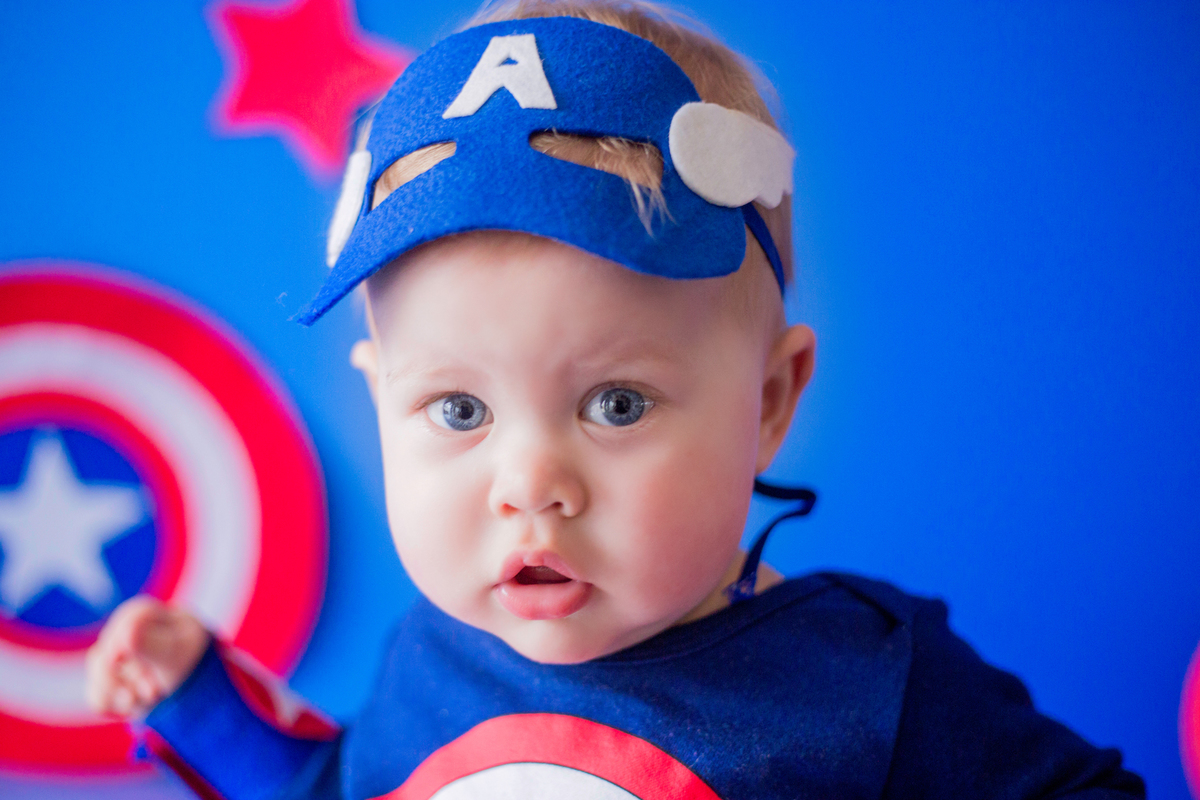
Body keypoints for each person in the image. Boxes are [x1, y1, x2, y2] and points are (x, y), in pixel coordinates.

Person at [85, 2, 1146, 798]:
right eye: (459, 410)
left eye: (618, 404)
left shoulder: (870, 685)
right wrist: (201, 703)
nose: (530, 485)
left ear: (768, 399)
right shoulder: (434, 657)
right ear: (379, 404)